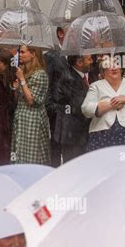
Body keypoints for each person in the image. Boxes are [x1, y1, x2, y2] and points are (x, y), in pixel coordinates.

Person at [81, 56, 125, 151]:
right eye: (108, 66)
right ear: (103, 72)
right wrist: (111, 104)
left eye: (116, 65)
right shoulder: (96, 86)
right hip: (100, 136)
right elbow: (86, 109)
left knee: (124, 164)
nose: (114, 68)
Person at [11, 46, 50, 165]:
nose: (20, 54)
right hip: (21, 118)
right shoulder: (23, 72)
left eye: (23, 52)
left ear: (33, 54)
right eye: (19, 52)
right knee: (19, 155)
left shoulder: (40, 74)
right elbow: (18, 99)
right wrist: (16, 86)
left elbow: (31, 100)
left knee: (33, 158)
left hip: (33, 121)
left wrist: (22, 80)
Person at [53, 55, 94, 163]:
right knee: (74, 169)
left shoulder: (83, 77)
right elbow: (78, 105)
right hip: (72, 134)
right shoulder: (69, 79)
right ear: (79, 62)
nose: (92, 61)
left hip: (80, 134)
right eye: (89, 59)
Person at [45, 27, 70, 167]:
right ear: (61, 34)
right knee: (55, 145)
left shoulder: (74, 54)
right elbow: (49, 82)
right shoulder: (51, 56)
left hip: (70, 109)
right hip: (57, 108)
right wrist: (51, 107)